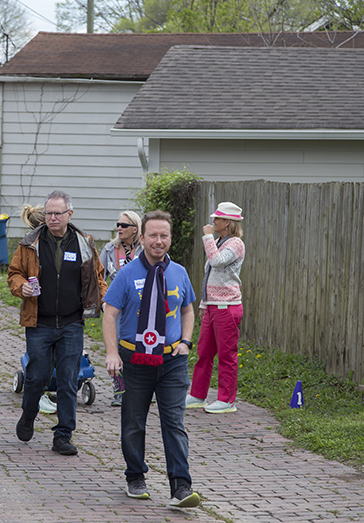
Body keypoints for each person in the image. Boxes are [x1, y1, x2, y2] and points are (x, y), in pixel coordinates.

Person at [102, 210, 200, 508]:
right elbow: (109, 314)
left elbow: (187, 309)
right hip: (135, 361)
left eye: (164, 236)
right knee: (134, 422)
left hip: (171, 361)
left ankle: (181, 487)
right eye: (153, 235)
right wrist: (112, 353)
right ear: (142, 238)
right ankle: (135, 476)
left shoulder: (179, 272)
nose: (159, 241)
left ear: (170, 239)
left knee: (174, 422)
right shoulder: (127, 274)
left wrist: (185, 341)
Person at [7, 190, 108, 456]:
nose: (52, 217)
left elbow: (98, 278)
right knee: (37, 376)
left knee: (67, 379)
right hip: (38, 322)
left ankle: (63, 434)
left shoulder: (84, 243)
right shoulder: (31, 242)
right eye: (49, 213)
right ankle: (29, 414)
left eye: (58, 213)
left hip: (72, 323)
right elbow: (14, 274)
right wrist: (21, 288)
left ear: (69, 215)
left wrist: (105, 300)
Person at [186, 202, 245, 414]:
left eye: (217, 219)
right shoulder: (219, 241)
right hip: (213, 307)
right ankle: (197, 395)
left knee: (227, 355)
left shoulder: (236, 244)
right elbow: (209, 275)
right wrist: (204, 304)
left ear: (227, 222)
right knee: (203, 352)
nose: (213, 222)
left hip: (227, 307)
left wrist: (207, 237)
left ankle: (226, 400)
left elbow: (217, 262)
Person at [99, 210, 142, 407]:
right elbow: (99, 276)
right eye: (118, 224)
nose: (119, 228)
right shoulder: (109, 249)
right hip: (116, 307)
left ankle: (142, 390)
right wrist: (104, 299)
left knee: (140, 346)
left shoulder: (145, 249)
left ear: (135, 229)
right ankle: (120, 391)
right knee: (116, 347)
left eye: (124, 225)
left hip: (140, 307)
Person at [19, 204, 58, 415]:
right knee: (39, 360)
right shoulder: (28, 246)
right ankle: (37, 395)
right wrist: (22, 286)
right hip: (37, 314)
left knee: (53, 359)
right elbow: (15, 275)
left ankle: (47, 391)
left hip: (61, 316)